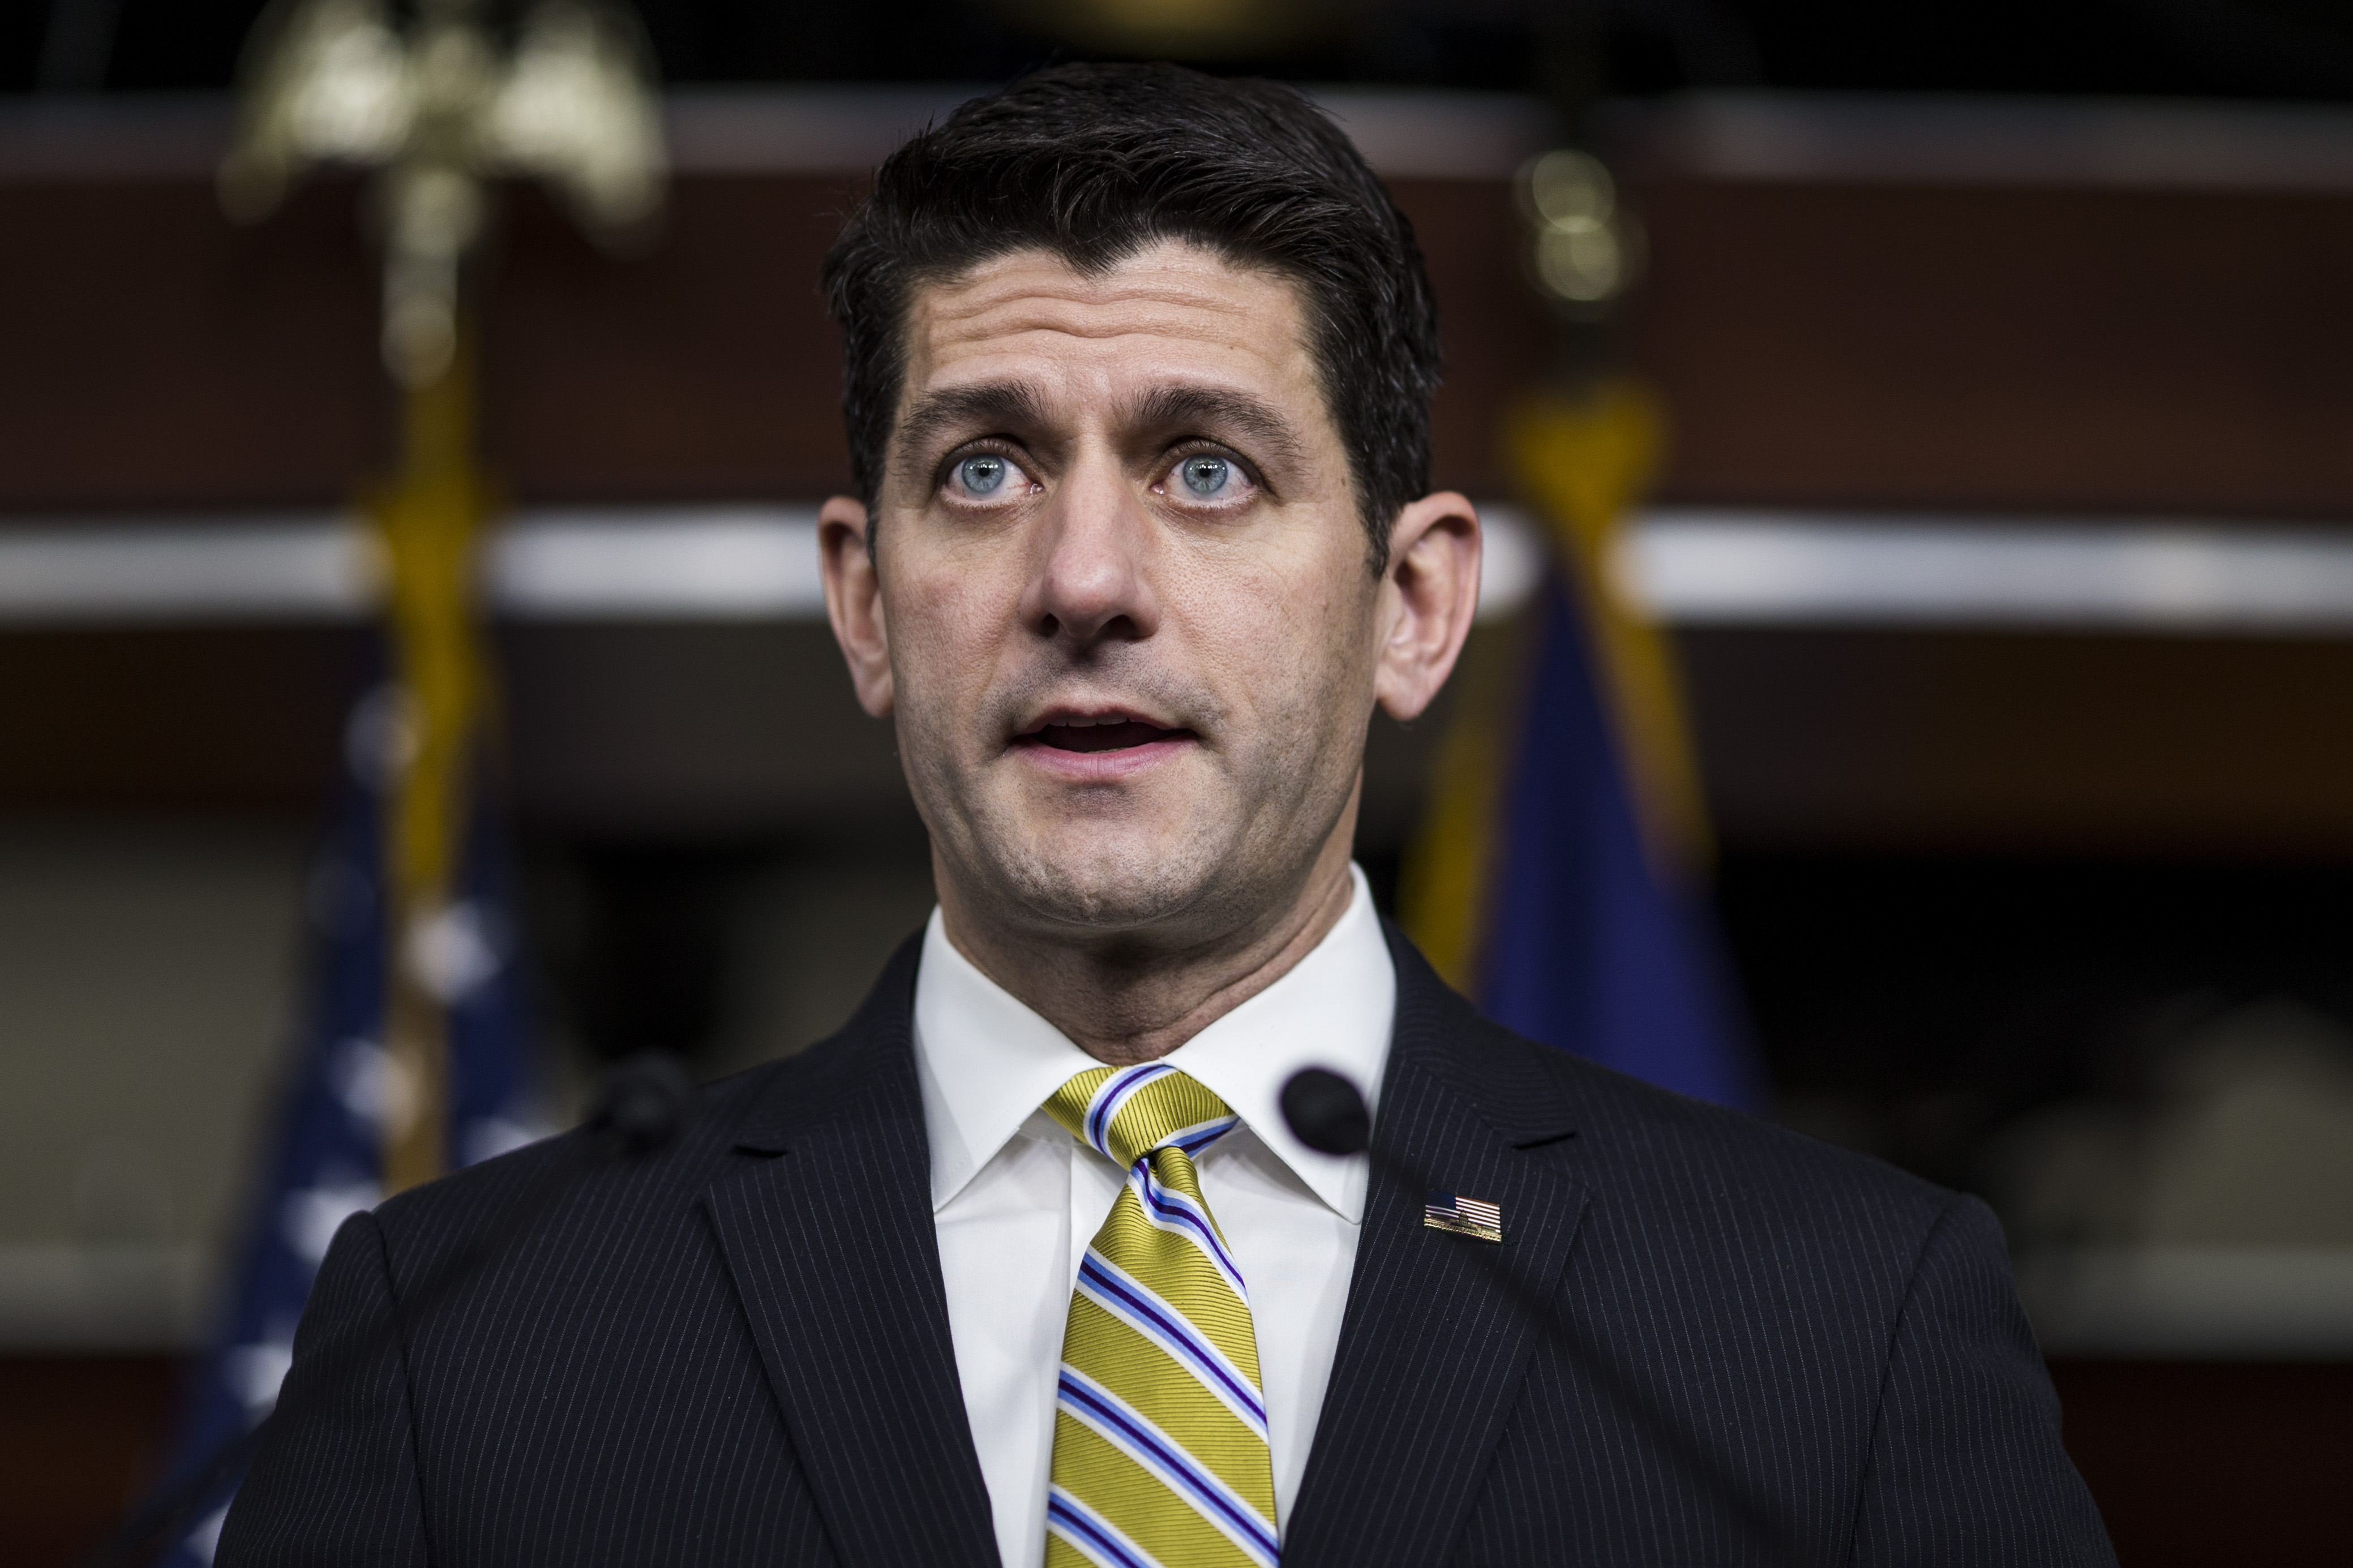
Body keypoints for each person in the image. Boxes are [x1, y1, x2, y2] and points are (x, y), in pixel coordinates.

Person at [221, 63, 2114, 1568]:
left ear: (1415, 604)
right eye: (985, 468)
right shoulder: (470, 1337)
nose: (1088, 577)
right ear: (866, 602)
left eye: (1207, 468)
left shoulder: (1830, 1335)